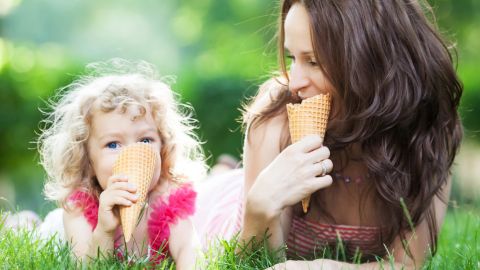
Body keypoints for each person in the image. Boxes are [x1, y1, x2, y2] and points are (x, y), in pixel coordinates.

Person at [239, 0, 463, 269]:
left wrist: (320, 267)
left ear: (371, 61)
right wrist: (259, 208)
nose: (295, 83)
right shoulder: (274, 119)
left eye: (313, 61)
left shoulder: (425, 134)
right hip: (225, 203)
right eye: (292, 58)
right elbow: (259, 264)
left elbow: (407, 264)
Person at [38, 59, 206, 269]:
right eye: (113, 144)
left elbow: (190, 250)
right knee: (34, 226)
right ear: (87, 160)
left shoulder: (168, 199)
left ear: (163, 147)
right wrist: (104, 231)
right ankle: (24, 222)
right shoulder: (80, 208)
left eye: (145, 140)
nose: (131, 154)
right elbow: (85, 266)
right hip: (58, 229)